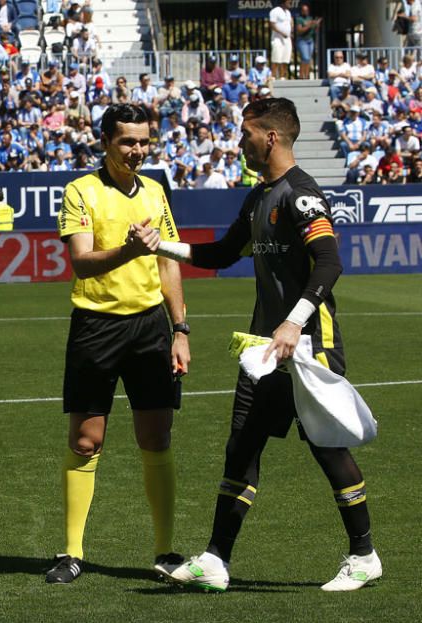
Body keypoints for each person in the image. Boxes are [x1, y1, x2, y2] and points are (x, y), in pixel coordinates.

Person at [133, 97, 382, 592]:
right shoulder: (258, 197)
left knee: (328, 448)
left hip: (310, 345)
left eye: (245, 133)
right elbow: (223, 253)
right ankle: (215, 560)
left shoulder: (302, 195)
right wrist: (159, 244)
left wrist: (293, 324)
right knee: (241, 448)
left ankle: (364, 555)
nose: (238, 141)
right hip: (266, 351)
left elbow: (329, 264)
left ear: (270, 137)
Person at [45, 103, 189, 585]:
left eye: (144, 141)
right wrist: (129, 249)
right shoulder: (80, 191)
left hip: (151, 328)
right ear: (105, 140)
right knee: (87, 441)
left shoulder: (154, 191)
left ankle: (166, 551)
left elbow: (169, 262)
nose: (137, 150)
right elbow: (81, 262)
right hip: (96, 327)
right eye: (127, 141)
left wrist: (181, 330)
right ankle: (71, 553)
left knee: (156, 437)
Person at [294, 3, 321, 80]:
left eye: (307, 10)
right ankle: (301, 76)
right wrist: (309, 25)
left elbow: (314, 30)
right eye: (304, 10)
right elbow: (300, 31)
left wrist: (316, 25)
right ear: (301, 11)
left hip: (310, 40)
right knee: (305, 58)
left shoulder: (310, 18)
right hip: (302, 41)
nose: (306, 12)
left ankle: (306, 75)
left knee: (308, 59)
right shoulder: (299, 19)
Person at [269, 0, 293, 80]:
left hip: (287, 38)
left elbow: (290, 22)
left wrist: (290, 31)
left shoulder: (288, 12)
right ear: (283, 2)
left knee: (285, 59)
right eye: (289, 2)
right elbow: (272, 24)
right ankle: (273, 76)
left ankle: (283, 76)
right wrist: (282, 33)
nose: (290, 3)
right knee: (276, 57)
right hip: (277, 39)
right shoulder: (275, 11)